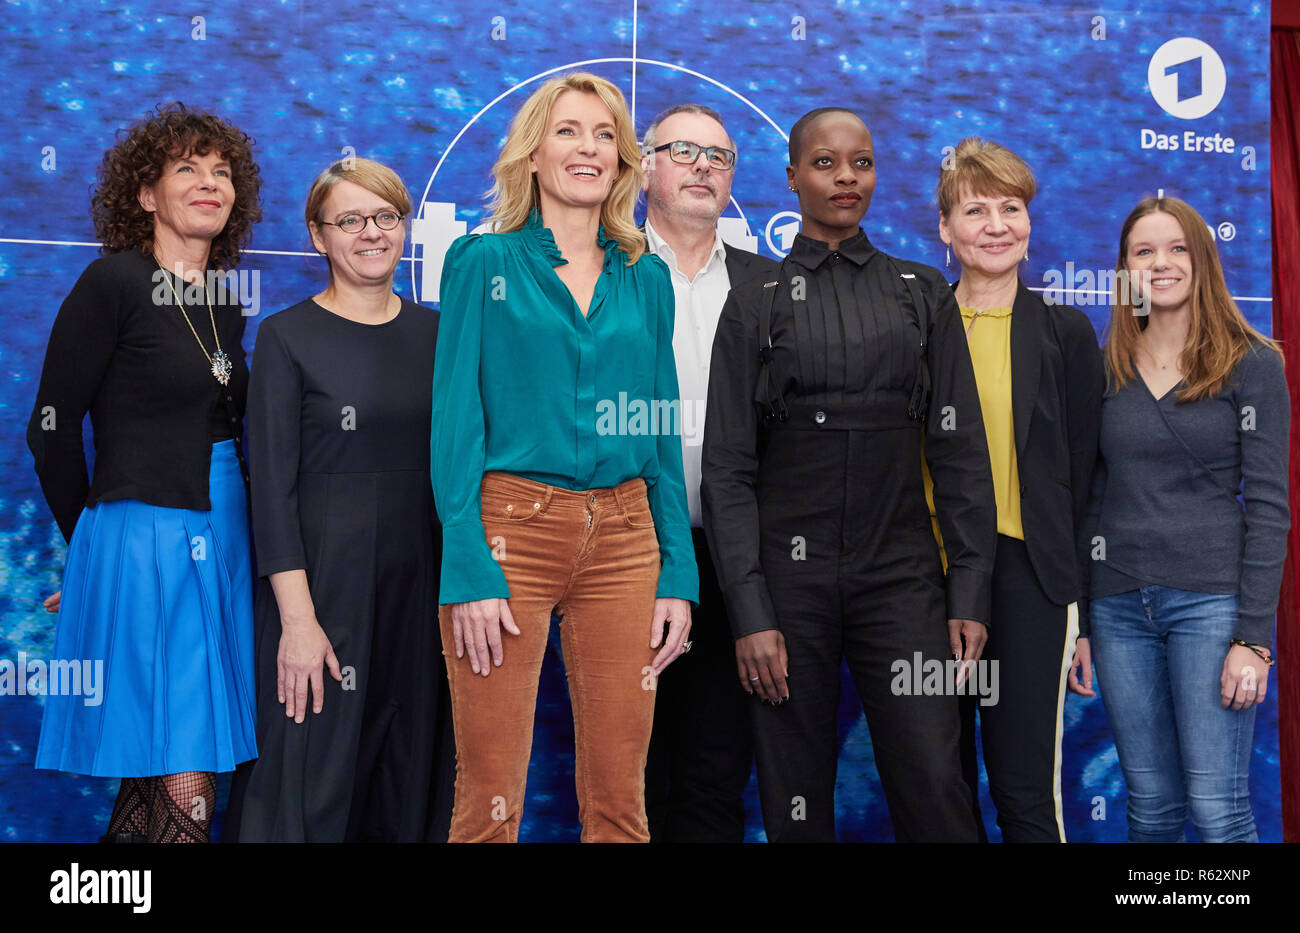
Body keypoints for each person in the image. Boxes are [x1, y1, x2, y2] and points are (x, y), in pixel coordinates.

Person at [702, 107, 994, 842]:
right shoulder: (751, 303)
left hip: (901, 578)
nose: (845, 178)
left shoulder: (922, 292)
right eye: (826, 163)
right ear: (793, 176)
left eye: (860, 163)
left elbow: (959, 453)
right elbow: (728, 470)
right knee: (793, 794)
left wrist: (968, 588)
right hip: (786, 587)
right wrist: (752, 611)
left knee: (934, 778)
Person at [430, 72, 698, 843]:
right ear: (533, 153)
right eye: (569, 131)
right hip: (509, 533)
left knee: (621, 799)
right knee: (489, 795)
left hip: (625, 540)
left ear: (624, 162)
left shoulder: (647, 277)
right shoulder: (483, 263)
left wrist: (676, 571)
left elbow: (659, 434)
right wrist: (469, 566)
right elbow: (455, 426)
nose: (588, 147)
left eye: (605, 134)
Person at [27, 102, 262, 843]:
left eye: (221, 171)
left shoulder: (224, 304)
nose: (208, 183)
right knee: (188, 766)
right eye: (186, 169)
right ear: (144, 195)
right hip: (143, 531)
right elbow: (51, 431)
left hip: (223, 538)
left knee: (158, 772)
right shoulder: (114, 283)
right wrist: (92, 544)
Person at [226, 158, 455, 842]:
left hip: (419, 594)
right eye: (350, 220)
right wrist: (297, 622)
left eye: (385, 216)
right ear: (318, 236)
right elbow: (269, 489)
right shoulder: (286, 337)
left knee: (406, 777)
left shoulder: (438, 334)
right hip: (321, 592)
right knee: (309, 785)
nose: (371, 233)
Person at [1074, 196, 1287, 842]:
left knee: (1219, 810)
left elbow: (1272, 508)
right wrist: (1082, 624)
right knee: (1151, 807)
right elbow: (1089, 502)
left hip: (1212, 609)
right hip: (1116, 612)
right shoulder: (1105, 367)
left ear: (1202, 260)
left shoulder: (1253, 363)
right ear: (1125, 269)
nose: (1160, 263)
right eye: (1144, 251)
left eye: (1176, 249)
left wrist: (1253, 638)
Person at [926, 137, 1105, 842]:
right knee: (936, 785)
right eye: (976, 209)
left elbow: (1087, 483)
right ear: (945, 227)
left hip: (1032, 581)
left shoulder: (1065, 332)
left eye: (1012, 207)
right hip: (926, 578)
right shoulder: (918, 325)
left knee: (1024, 788)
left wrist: (1083, 617)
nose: (997, 224)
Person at [639, 103, 775, 843]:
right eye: (684, 150)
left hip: (739, 562)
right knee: (625, 769)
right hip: (628, 553)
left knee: (716, 772)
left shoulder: (772, 285)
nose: (701, 166)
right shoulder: (605, 272)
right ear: (647, 163)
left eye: (718, 157)